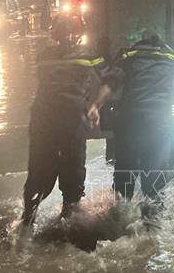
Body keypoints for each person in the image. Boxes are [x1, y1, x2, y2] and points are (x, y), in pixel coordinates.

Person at [21, 14, 122, 226]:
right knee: (73, 179)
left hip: (42, 121)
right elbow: (111, 78)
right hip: (72, 121)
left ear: (53, 32)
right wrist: (96, 106)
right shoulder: (87, 54)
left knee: (39, 174)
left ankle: (26, 225)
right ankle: (67, 226)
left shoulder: (44, 55)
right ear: (78, 33)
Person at [112, 33, 174, 206]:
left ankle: (121, 214)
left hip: (132, 121)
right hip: (160, 122)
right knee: (156, 172)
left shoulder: (129, 57)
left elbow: (114, 77)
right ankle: (153, 222)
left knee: (125, 169)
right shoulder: (170, 59)